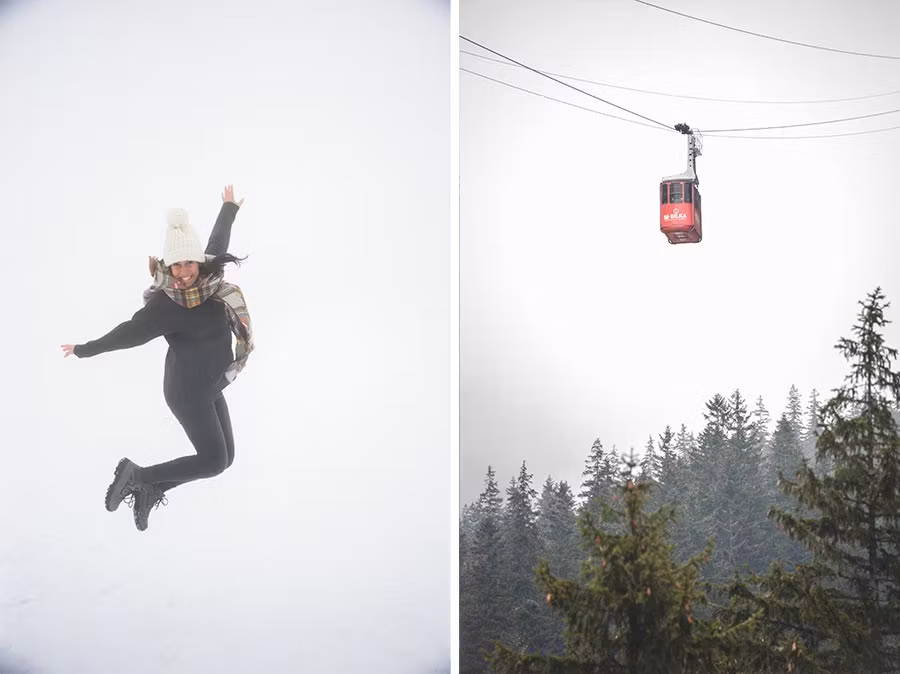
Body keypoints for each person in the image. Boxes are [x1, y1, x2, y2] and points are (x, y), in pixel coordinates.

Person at [61, 185, 254, 531]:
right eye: (175, 265)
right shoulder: (166, 305)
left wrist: (228, 209)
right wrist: (85, 349)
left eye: (188, 262)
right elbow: (127, 333)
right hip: (186, 392)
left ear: (199, 261)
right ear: (168, 265)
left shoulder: (211, 279)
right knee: (213, 461)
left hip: (213, 384)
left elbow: (217, 241)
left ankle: (151, 490)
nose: (183, 271)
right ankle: (138, 475)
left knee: (225, 460)